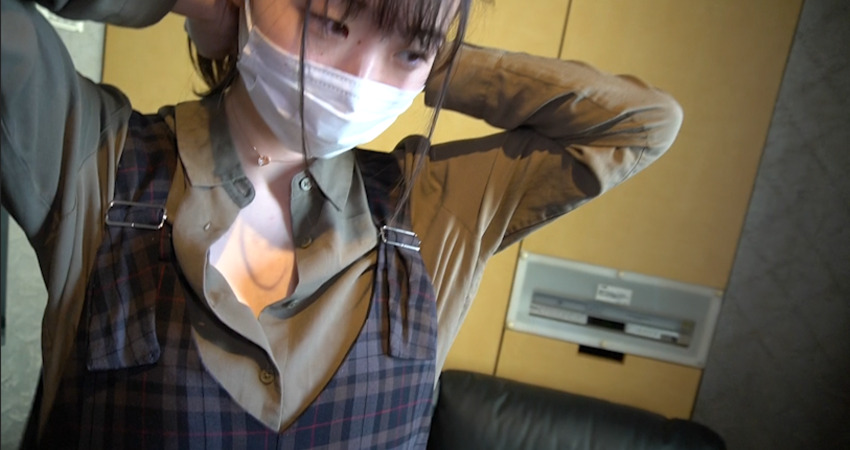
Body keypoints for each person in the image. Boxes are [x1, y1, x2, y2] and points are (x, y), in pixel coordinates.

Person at [0, 0, 683, 447]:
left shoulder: (432, 209)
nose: (362, 78)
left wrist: (425, 45)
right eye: (331, 20)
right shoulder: (95, 159)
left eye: (404, 53)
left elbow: (641, 124)